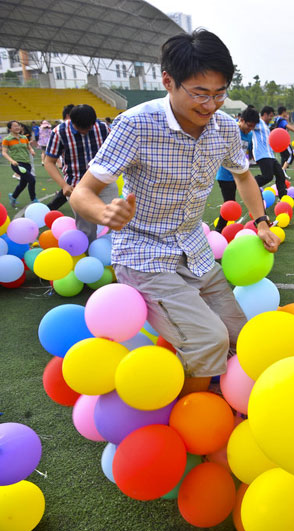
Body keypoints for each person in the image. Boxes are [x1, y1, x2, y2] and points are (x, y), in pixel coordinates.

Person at [70, 29, 280, 395]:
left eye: (219, 94)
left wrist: (260, 221)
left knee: (242, 338)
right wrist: (104, 213)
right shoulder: (135, 124)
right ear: (168, 81)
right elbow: (82, 193)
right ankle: (190, 417)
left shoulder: (226, 128)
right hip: (144, 253)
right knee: (209, 340)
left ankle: (228, 400)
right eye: (199, 93)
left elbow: (244, 177)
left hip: (195, 251)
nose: (210, 105)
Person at [43, 104, 111, 241]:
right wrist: (64, 185)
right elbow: (49, 162)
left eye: (89, 127)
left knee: (114, 220)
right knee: (86, 229)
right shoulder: (59, 133)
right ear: (71, 121)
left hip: (104, 182)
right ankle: (89, 257)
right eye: (81, 128)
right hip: (76, 186)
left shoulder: (103, 128)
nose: (85, 131)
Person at [214, 106, 262, 232]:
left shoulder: (250, 134)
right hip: (225, 175)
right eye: (249, 125)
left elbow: (248, 151)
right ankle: (219, 231)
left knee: (253, 196)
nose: (250, 129)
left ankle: (262, 223)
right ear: (241, 120)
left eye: (253, 126)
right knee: (229, 204)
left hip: (240, 175)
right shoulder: (231, 130)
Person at [252, 105, 288, 198]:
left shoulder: (266, 126)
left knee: (280, 174)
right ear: (264, 114)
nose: (271, 118)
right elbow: (247, 125)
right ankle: (251, 184)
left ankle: (283, 198)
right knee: (268, 176)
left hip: (270, 155)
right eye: (270, 116)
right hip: (262, 155)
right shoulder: (258, 123)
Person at [3, 120, 38, 208]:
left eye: (18, 125)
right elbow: (4, 152)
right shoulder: (7, 139)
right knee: (32, 180)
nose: (17, 127)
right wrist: (12, 161)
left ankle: (13, 197)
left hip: (27, 163)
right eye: (15, 126)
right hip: (17, 164)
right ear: (10, 128)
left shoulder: (24, 137)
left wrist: (32, 150)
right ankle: (34, 200)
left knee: (23, 184)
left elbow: (28, 147)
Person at [273, 106, 294, 175]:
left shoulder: (276, 119)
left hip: (277, 140)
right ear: (283, 112)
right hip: (283, 141)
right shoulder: (282, 120)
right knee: (290, 155)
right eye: (286, 112)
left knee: (284, 157)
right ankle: (282, 170)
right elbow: (289, 127)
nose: (286, 113)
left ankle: (281, 174)